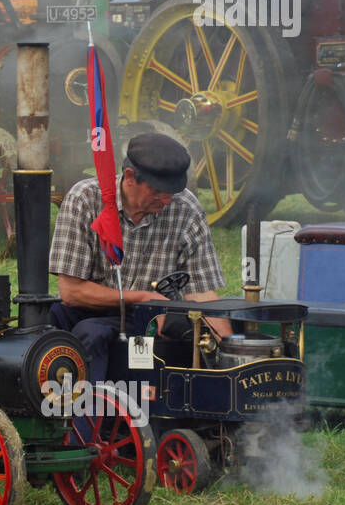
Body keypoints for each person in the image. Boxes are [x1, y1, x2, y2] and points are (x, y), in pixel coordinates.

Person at [48, 132, 230, 382]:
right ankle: (84, 415)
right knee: (69, 326)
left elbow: (202, 293)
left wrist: (229, 350)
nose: (167, 200)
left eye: (172, 192)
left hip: (150, 321)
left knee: (96, 332)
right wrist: (144, 297)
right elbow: (71, 292)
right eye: (158, 191)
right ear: (130, 177)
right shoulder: (86, 199)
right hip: (87, 310)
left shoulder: (186, 209)